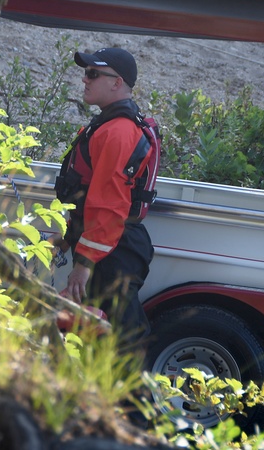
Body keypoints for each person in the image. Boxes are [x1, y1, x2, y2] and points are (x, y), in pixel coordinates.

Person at [54, 47, 160, 349]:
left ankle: (131, 384)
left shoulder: (118, 132)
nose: (84, 79)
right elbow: (90, 196)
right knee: (96, 338)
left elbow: (109, 206)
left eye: (93, 73)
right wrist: (68, 237)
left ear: (117, 82)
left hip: (115, 252)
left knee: (119, 343)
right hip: (110, 247)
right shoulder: (109, 127)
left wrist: (84, 264)